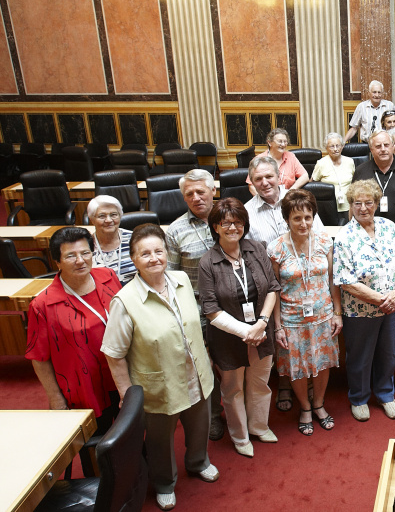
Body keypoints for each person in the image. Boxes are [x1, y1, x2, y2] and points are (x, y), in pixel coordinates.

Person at [103, 224, 218, 511]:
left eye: (159, 251)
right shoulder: (125, 301)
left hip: (196, 373)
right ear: (134, 259)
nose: (154, 258)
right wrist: (126, 395)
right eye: (145, 254)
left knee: (199, 424)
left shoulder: (179, 279)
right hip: (159, 382)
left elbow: (194, 325)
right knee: (159, 440)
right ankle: (165, 483)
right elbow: (114, 354)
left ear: (167, 253)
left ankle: (198, 461)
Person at [198, 198, 280, 457]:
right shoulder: (207, 262)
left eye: (238, 222)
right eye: (226, 223)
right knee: (232, 388)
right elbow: (210, 309)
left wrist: (262, 323)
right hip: (227, 336)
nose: (233, 227)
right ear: (215, 226)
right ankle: (240, 436)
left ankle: (258, 426)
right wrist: (247, 332)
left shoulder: (257, 248)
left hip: (261, 330)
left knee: (260, 382)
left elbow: (273, 288)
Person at [244, 154, 325, 412]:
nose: (265, 182)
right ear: (252, 182)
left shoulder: (297, 201)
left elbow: (319, 234)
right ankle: (286, 386)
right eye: (259, 179)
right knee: (283, 342)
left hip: (307, 283)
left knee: (305, 342)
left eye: (269, 176)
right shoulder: (247, 212)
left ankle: (311, 387)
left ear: (279, 176)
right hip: (271, 284)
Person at [27, 227, 122, 433]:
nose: (80, 260)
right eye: (71, 255)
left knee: (132, 432)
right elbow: (39, 358)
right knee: (100, 443)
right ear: (57, 262)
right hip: (85, 386)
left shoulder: (108, 277)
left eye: (85, 253)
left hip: (122, 374)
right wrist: (55, 398)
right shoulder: (43, 305)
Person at [333, 180, 395, 421]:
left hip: (392, 305)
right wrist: (380, 299)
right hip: (360, 309)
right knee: (360, 356)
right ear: (351, 205)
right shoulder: (345, 236)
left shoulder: (388, 227)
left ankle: (386, 394)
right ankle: (359, 397)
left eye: (369, 202)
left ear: (377, 203)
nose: (363, 208)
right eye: (358, 203)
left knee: (388, 353)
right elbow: (345, 280)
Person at [268, 190, 342, 435]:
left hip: (323, 314)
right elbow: (274, 290)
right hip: (291, 317)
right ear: (287, 219)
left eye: (308, 217)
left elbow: (333, 281)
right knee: (296, 365)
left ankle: (319, 404)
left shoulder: (324, 241)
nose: (303, 223)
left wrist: (337, 313)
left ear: (314, 217)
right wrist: (277, 325)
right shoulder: (276, 248)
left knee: (322, 363)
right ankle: (305, 407)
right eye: (297, 218)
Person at [166, 169, 225, 441]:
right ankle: (212, 416)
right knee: (204, 366)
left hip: (233, 307)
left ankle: (239, 411)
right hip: (198, 310)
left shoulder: (230, 217)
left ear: (213, 190)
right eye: (189, 194)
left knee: (232, 365)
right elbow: (170, 277)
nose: (196, 197)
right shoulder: (176, 231)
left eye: (201, 191)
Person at [352, 130, 395, 222]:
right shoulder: (361, 171)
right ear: (371, 149)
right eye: (378, 146)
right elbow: (354, 204)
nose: (383, 149)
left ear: (392, 146)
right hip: (368, 228)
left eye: (386, 145)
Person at [87, 195, 136, 285]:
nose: (109, 220)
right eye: (102, 216)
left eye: (113, 215)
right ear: (92, 219)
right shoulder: (86, 245)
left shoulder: (135, 239)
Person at [312, 132, 356, 223]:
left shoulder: (350, 162)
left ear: (342, 146)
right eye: (332, 146)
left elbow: (355, 183)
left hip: (349, 206)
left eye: (338, 145)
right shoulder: (321, 163)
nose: (335, 149)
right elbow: (313, 184)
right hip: (328, 208)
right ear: (326, 148)